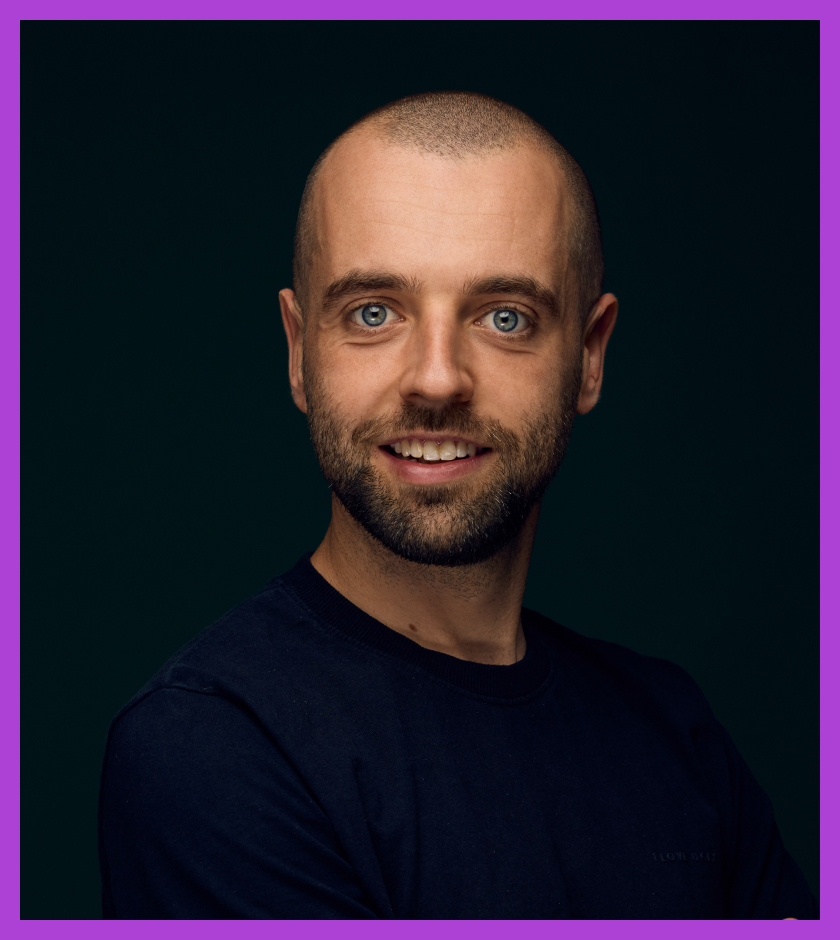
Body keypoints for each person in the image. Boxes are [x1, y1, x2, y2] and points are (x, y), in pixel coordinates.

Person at [98, 92, 816, 920]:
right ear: (300, 352)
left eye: (505, 317)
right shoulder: (210, 746)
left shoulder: (675, 732)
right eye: (373, 313)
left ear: (588, 356)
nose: (437, 378)